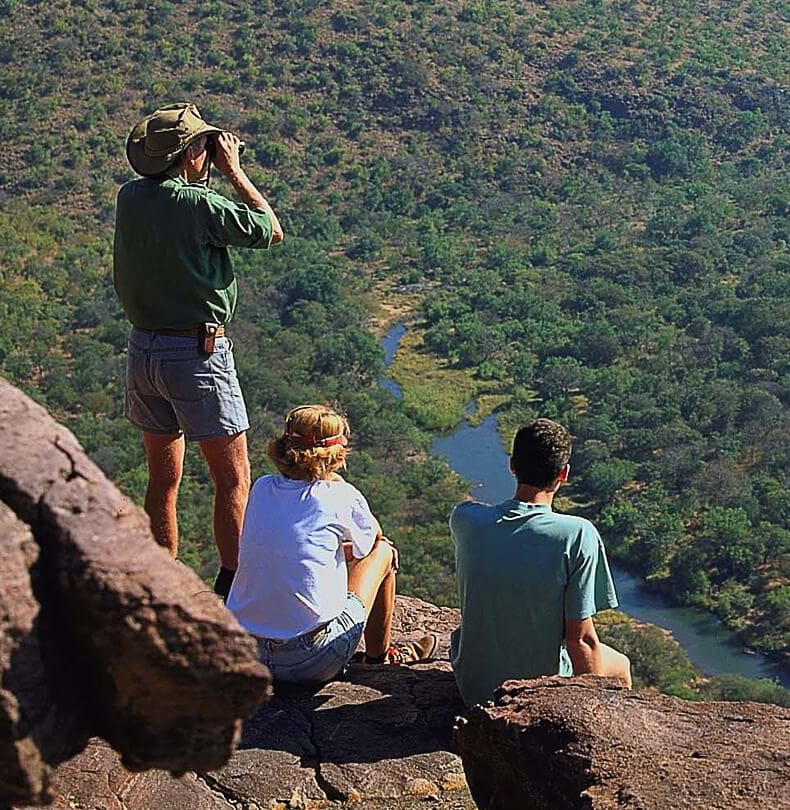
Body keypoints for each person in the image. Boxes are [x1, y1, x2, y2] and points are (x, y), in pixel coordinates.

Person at [114, 103, 284, 596]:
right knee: (232, 478)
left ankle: (160, 578)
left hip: (142, 352)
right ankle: (236, 590)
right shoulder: (200, 205)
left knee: (162, 477)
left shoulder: (130, 197)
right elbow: (269, 229)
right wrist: (234, 171)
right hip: (197, 354)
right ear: (191, 154)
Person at [227, 405, 436, 682]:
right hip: (310, 660)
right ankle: (379, 659)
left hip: (245, 653)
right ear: (336, 454)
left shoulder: (262, 487)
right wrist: (336, 482)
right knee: (384, 552)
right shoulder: (339, 494)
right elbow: (373, 540)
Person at [450, 418, 633, 704]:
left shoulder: (465, 519)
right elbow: (580, 640)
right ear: (564, 473)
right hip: (536, 692)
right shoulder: (576, 535)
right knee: (621, 665)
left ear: (512, 465)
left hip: (472, 688)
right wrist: (589, 710)